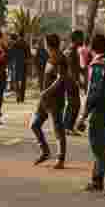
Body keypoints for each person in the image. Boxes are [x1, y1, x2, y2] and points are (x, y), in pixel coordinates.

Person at [78, 33, 105, 195]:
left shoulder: (97, 66)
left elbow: (93, 93)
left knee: (97, 147)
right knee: (101, 145)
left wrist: (83, 115)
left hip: (99, 109)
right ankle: (97, 180)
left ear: (91, 47)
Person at [31, 33, 68, 169]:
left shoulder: (60, 59)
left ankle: (61, 158)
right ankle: (45, 151)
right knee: (35, 125)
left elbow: (60, 79)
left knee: (58, 129)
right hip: (45, 100)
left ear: (48, 44)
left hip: (55, 100)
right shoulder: (50, 57)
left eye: (45, 43)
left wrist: (47, 91)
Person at [64, 31, 85, 136]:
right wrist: (77, 81)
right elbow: (71, 69)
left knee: (73, 104)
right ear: (76, 39)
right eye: (81, 38)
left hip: (70, 81)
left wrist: (82, 70)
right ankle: (68, 126)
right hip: (70, 82)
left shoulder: (72, 50)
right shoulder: (71, 51)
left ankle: (68, 126)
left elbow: (75, 67)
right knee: (74, 104)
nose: (83, 40)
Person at [9, 33, 29, 103]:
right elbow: (28, 55)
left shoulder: (15, 43)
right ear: (23, 36)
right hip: (24, 63)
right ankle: (22, 97)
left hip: (16, 63)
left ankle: (18, 95)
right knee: (23, 80)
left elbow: (11, 53)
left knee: (16, 80)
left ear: (18, 36)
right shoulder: (26, 44)